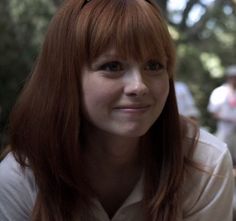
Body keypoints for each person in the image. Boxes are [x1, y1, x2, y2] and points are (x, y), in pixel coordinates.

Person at [0, 0, 233, 220]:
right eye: (112, 66)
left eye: (154, 65)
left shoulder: (206, 165)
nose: (139, 86)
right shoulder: (20, 177)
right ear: (65, 78)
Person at [208, 65, 236, 165]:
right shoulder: (219, 92)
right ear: (228, 78)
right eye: (233, 77)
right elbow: (213, 113)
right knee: (224, 158)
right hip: (224, 131)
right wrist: (229, 119)